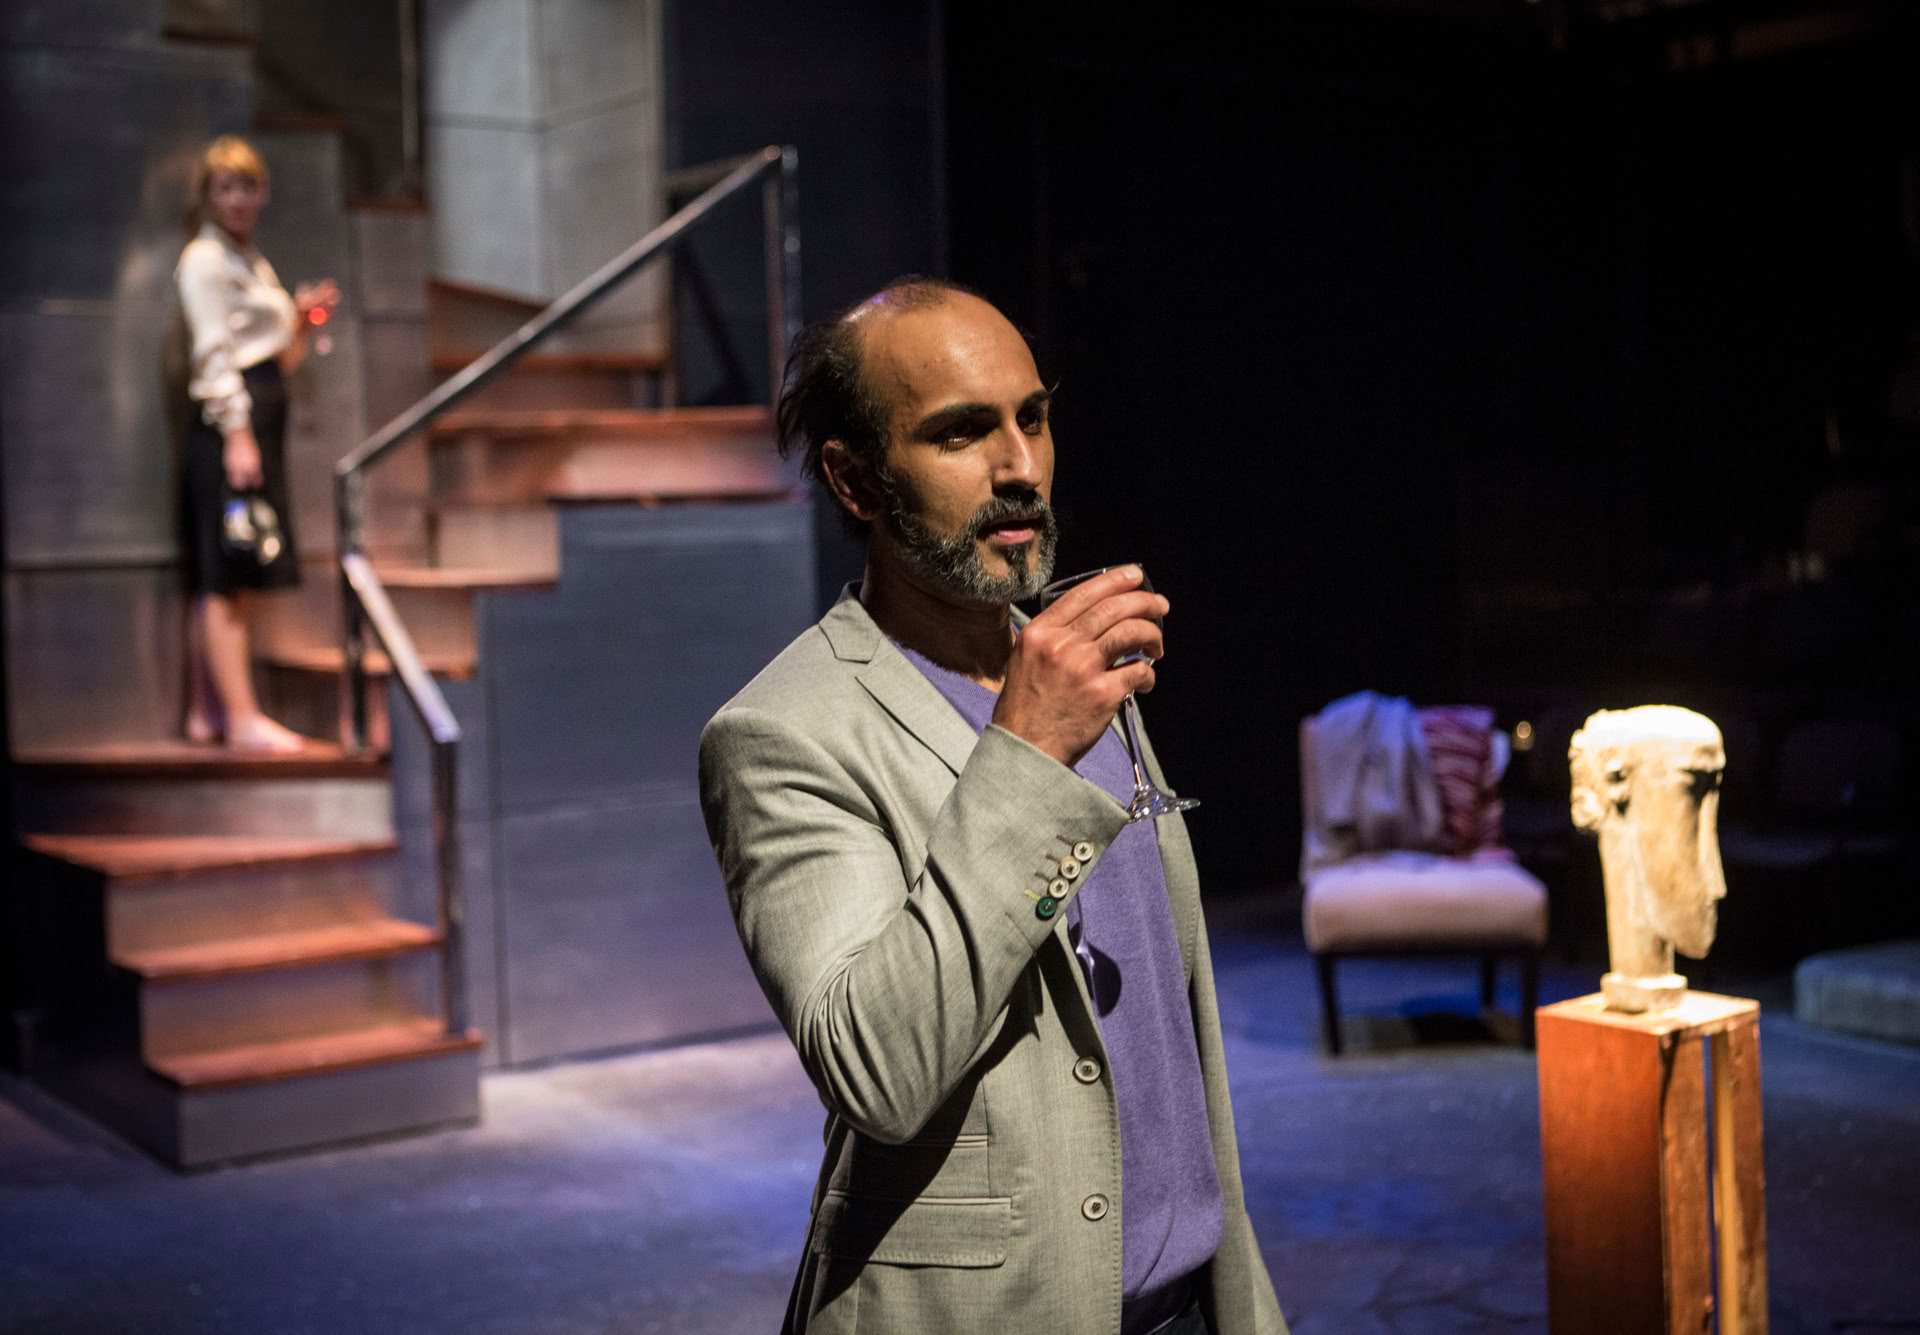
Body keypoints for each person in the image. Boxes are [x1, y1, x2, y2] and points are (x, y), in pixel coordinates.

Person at [698, 278, 1287, 1334]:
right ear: (854, 478)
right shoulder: (785, 731)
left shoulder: (1067, 664)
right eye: (961, 433)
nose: (1019, 467)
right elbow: (876, 1071)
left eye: (1034, 418)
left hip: (1189, 1304)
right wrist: (1026, 752)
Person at [173, 135, 338, 752]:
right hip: (232, 424)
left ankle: (207, 712)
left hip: (256, 415)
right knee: (229, 568)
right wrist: (238, 434)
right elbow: (214, 354)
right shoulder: (205, 259)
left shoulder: (249, 260)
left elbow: (278, 357)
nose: (239, 199)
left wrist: (299, 318)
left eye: (248, 187)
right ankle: (241, 717)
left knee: (231, 564)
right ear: (208, 195)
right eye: (227, 188)